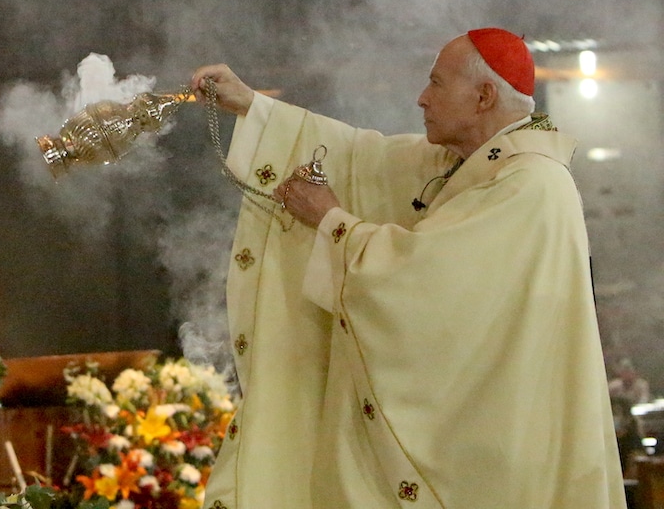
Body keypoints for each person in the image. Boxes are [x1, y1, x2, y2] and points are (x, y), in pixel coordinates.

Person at [190, 28, 624, 509]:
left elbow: (426, 287)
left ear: (483, 96)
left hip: (497, 449)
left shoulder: (531, 184)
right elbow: (362, 157)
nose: (421, 99)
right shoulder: (470, 164)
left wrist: (331, 220)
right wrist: (252, 106)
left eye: (436, 83)